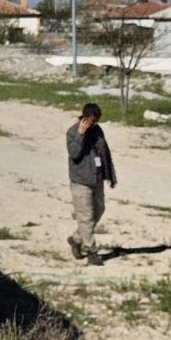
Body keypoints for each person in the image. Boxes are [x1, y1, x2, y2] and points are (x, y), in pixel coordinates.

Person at [66, 102, 116, 266]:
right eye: (92, 120)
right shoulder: (73, 131)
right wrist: (80, 134)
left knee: (99, 209)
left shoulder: (98, 131)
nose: (94, 124)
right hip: (81, 181)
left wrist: (111, 176)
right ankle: (92, 252)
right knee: (85, 217)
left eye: (97, 121)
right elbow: (74, 153)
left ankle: (76, 239)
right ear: (85, 117)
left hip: (97, 179)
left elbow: (105, 153)